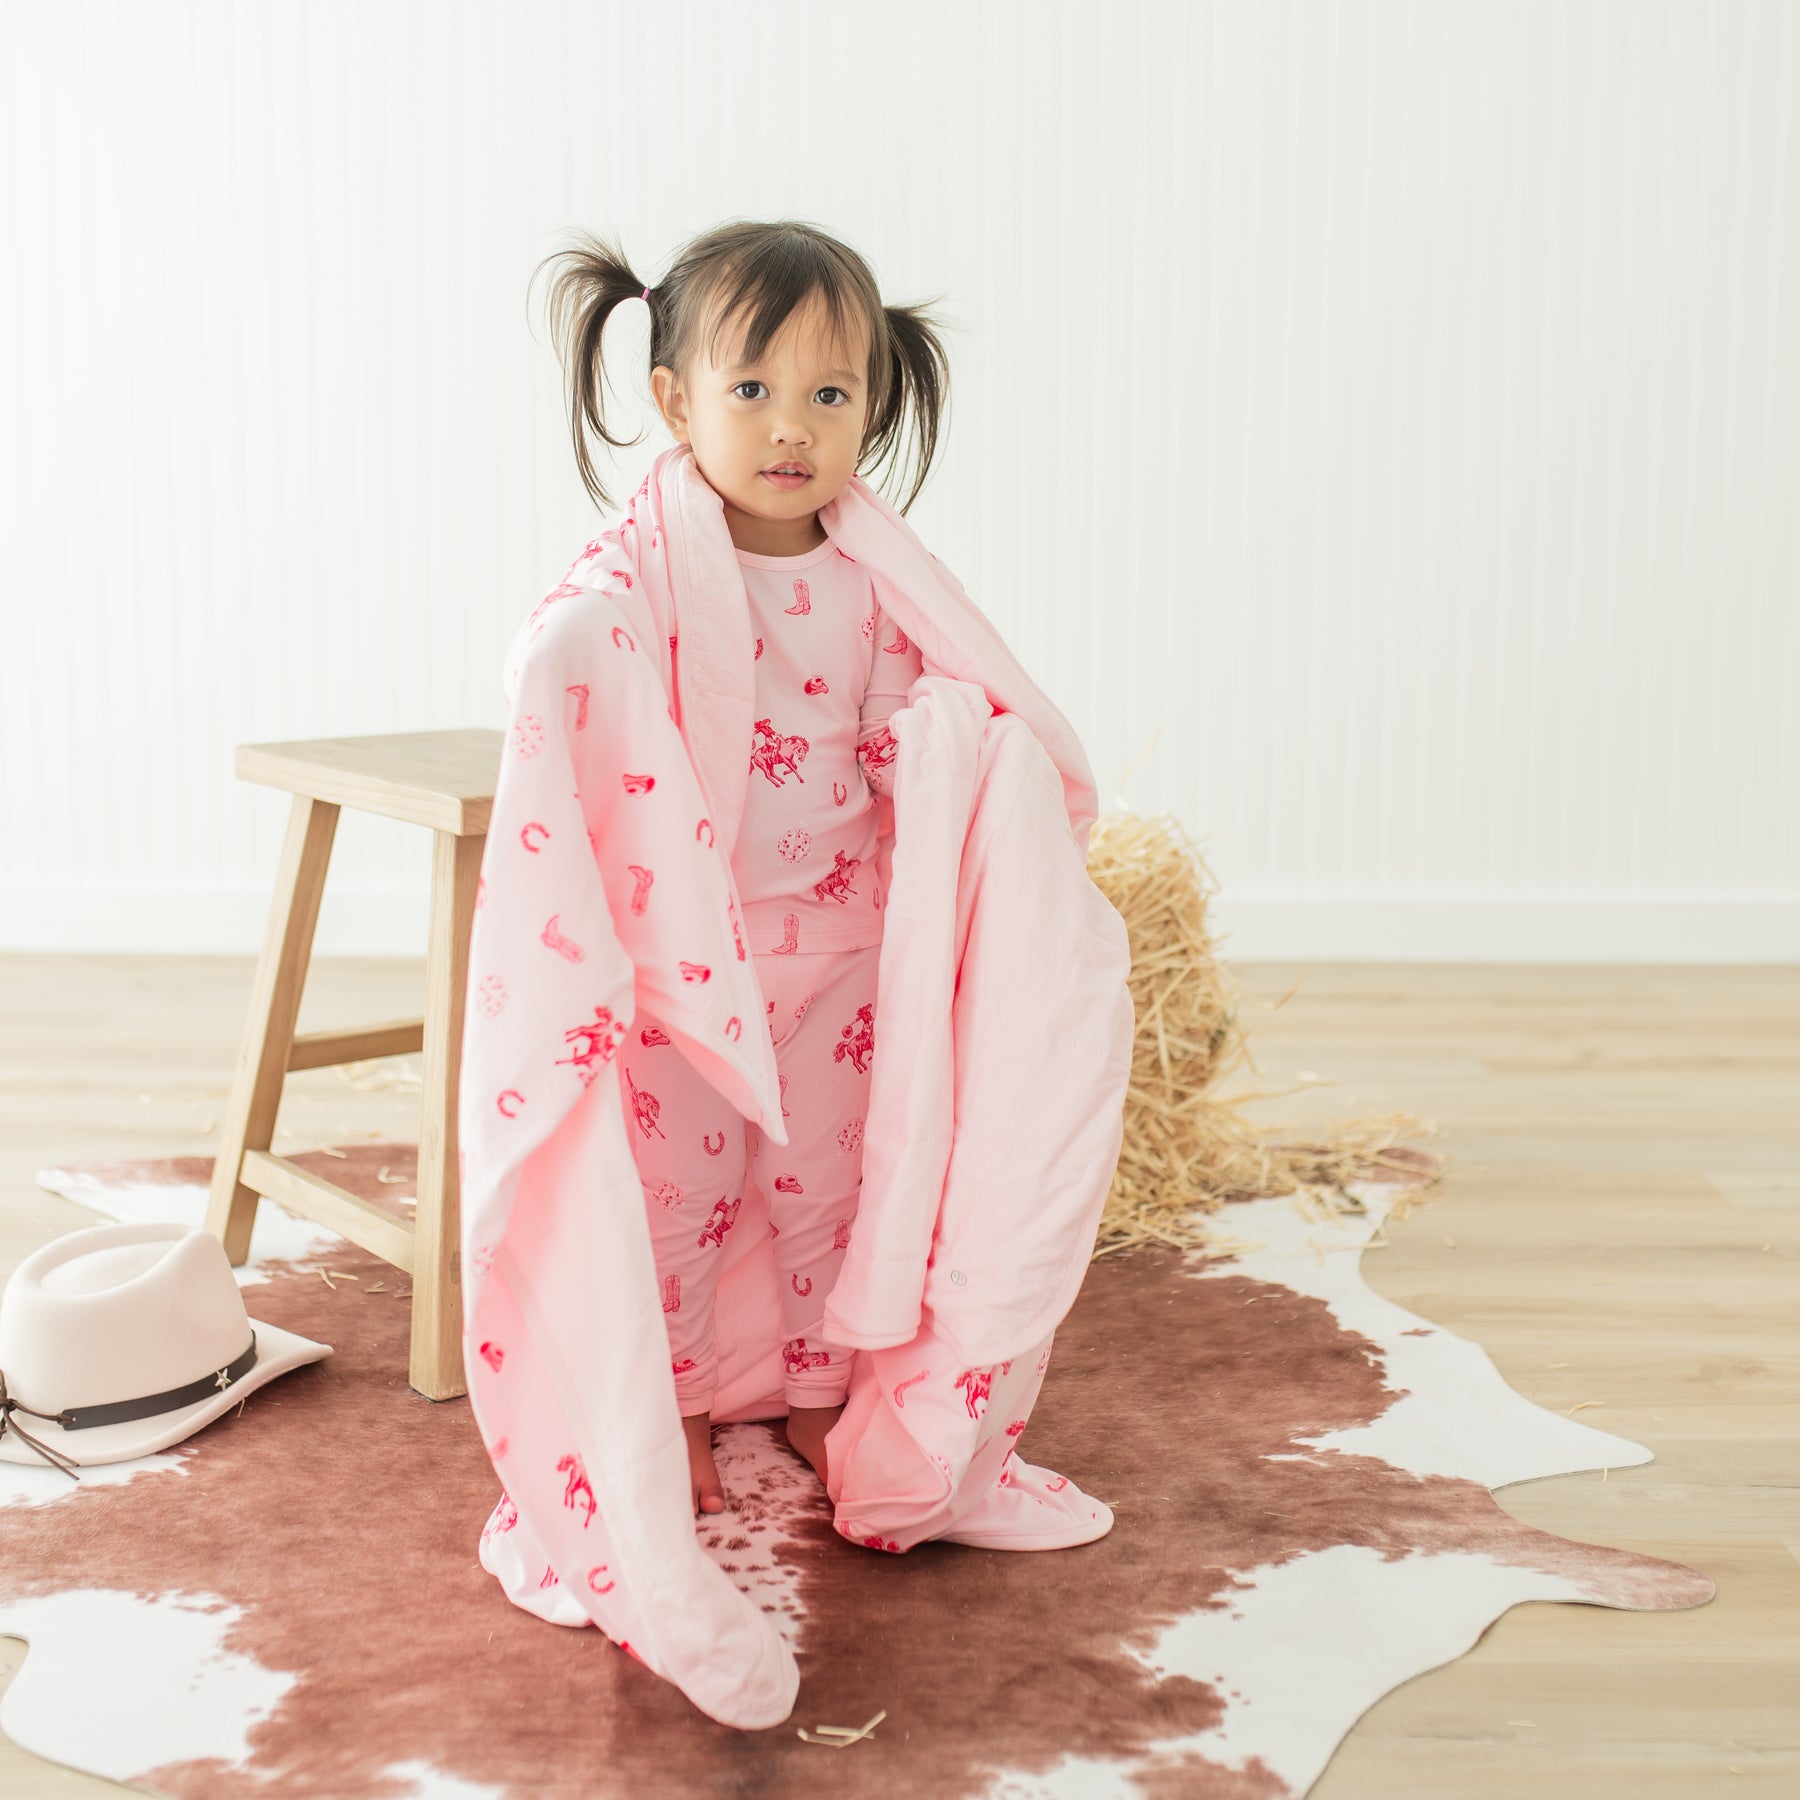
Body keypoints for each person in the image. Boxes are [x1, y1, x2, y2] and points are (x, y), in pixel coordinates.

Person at [531, 219, 955, 1517]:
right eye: (753, 390)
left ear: (872, 406)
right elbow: (576, 653)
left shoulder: (878, 581)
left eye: (830, 395)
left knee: (833, 1184)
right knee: (681, 1193)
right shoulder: (643, 575)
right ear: (674, 400)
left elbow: (907, 732)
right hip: (693, 957)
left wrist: (962, 749)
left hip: (839, 948)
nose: (792, 429)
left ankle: (826, 1397)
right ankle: (676, 1401)